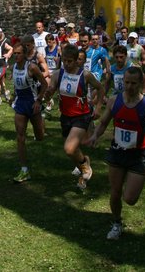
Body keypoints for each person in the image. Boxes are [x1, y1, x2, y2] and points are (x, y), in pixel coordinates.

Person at [86, 67, 145, 240]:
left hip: (138, 155)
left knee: (129, 199)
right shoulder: (114, 101)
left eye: (133, 83)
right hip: (117, 151)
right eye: (126, 82)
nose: (129, 86)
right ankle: (116, 223)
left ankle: (133, 183)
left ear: (140, 84)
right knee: (115, 192)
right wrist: (95, 136)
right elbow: (104, 122)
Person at [45, 44, 105, 190]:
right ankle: (84, 169)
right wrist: (48, 94)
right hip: (65, 116)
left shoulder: (85, 75)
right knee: (73, 152)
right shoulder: (57, 74)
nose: (66, 64)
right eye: (64, 61)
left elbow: (100, 88)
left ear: (76, 60)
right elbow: (50, 91)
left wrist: (98, 107)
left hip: (81, 116)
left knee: (69, 148)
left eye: (70, 61)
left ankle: (85, 167)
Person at [11, 43, 49, 182]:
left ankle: (42, 119)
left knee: (40, 136)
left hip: (33, 104)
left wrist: (39, 100)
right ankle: (24, 169)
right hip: (20, 104)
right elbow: (16, 85)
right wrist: (13, 97)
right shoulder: (13, 67)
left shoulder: (31, 67)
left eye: (19, 53)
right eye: (15, 53)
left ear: (25, 54)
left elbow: (44, 84)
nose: (16, 56)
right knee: (20, 137)